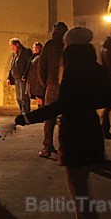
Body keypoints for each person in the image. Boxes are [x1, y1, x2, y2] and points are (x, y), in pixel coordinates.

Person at [15, 27, 111, 219]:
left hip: (74, 133)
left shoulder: (72, 68)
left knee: (78, 190)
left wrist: (28, 118)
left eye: (67, 44)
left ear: (71, 46)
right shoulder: (96, 68)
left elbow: (63, 104)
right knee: (83, 188)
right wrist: (88, 102)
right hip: (91, 128)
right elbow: (108, 99)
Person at [37, 21, 68, 157]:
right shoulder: (68, 45)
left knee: (49, 119)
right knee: (65, 118)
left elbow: (41, 67)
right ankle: (64, 148)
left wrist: (46, 84)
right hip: (66, 87)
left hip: (52, 87)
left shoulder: (50, 45)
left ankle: (47, 147)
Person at [7, 38, 33, 114]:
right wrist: (9, 77)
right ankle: (22, 112)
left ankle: (26, 113)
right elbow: (12, 66)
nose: (12, 48)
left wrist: (25, 75)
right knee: (18, 97)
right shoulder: (14, 54)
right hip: (16, 78)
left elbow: (29, 64)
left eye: (13, 46)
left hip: (23, 78)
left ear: (17, 44)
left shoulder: (26, 52)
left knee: (24, 97)